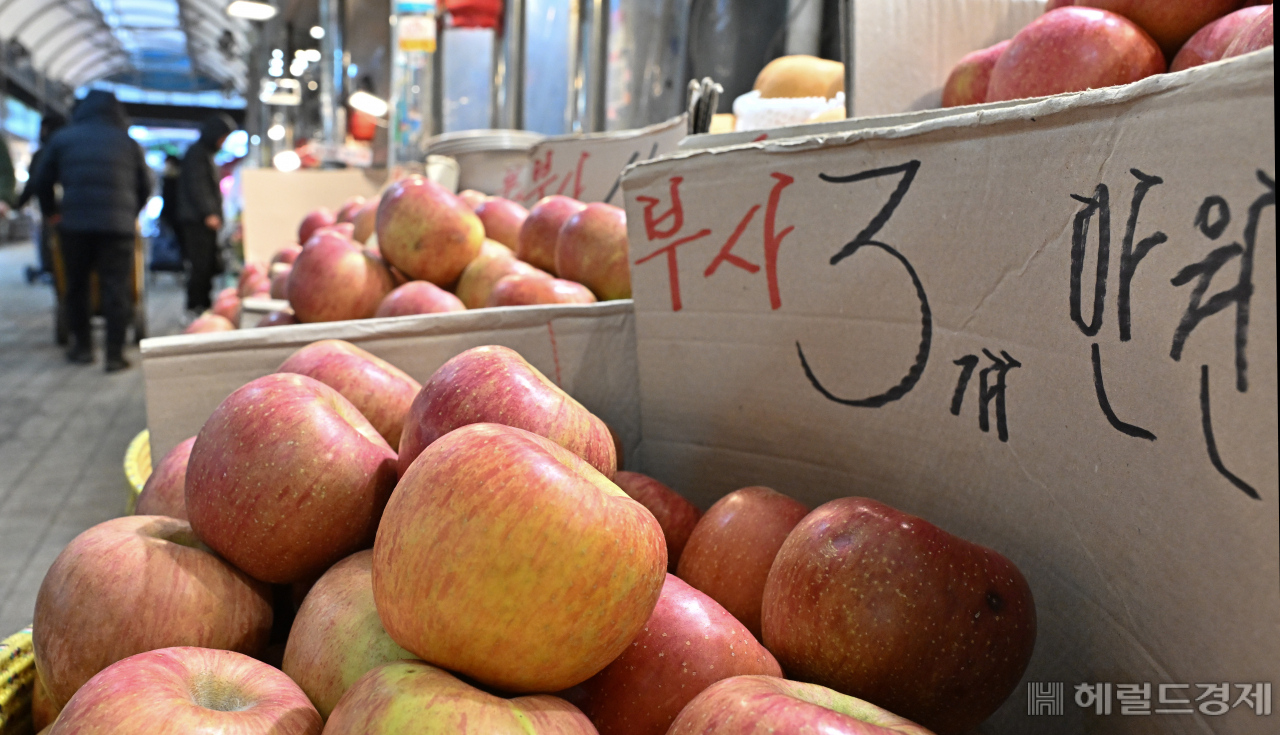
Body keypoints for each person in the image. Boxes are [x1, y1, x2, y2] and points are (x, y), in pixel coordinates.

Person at [27, 90, 152, 372]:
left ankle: (82, 349)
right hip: (117, 229)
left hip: (75, 225)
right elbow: (145, 186)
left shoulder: (64, 138)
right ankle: (114, 355)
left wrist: (52, 213)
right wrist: (129, 214)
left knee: (77, 286)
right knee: (116, 288)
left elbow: (41, 180)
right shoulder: (127, 142)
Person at [177, 114, 236, 314]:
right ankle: (195, 307)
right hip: (197, 221)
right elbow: (198, 186)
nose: (224, 142)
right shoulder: (197, 154)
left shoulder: (205, 154)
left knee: (207, 265)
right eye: (224, 137)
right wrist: (209, 213)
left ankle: (203, 305)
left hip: (202, 220)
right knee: (200, 266)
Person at [16, 117, 65, 278]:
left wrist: (18, 204)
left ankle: (50, 270)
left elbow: (36, 183)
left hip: (52, 209)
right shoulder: (70, 148)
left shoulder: (44, 153)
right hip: (72, 208)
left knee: (49, 240)